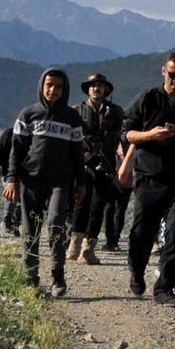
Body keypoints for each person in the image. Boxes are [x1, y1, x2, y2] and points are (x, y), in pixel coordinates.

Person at [120, 53, 175, 307]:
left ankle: (165, 288)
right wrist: (149, 135)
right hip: (150, 178)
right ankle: (136, 271)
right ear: (164, 72)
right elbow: (127, 133)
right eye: (173, 75)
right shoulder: (147, 98)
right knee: (143, 232)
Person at [5, 69, 87, 296]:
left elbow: (77, 153)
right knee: (30, 231)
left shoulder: (71, 117)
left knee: (56, 224)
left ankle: (58, 277)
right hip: (31, 181)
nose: (53, 90)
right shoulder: (28, 114)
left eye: (58, 86)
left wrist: (81, 182)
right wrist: (12, 179)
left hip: (60, 181)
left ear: (65, 89)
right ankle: (31, 277)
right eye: (49, 85)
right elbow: (17, 150)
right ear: (42, 85)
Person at [68, 74, 124, 265]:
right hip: (83, 163)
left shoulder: (115, 111)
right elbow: (69, 134)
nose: (96, 88)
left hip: (106, 163)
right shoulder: (77, 110)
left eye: (99, 85)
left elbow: (122, 135)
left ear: (106, 89)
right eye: (92, 85)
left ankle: (88, 247)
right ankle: (74, 244)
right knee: (82, 202)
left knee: (99, 205)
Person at [0, 127, 21, 236]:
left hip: (24, 171)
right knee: (12, 196)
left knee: (21, 199)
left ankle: (15, 223)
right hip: (7, 170)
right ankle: (6, 220)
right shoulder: (10, 132)